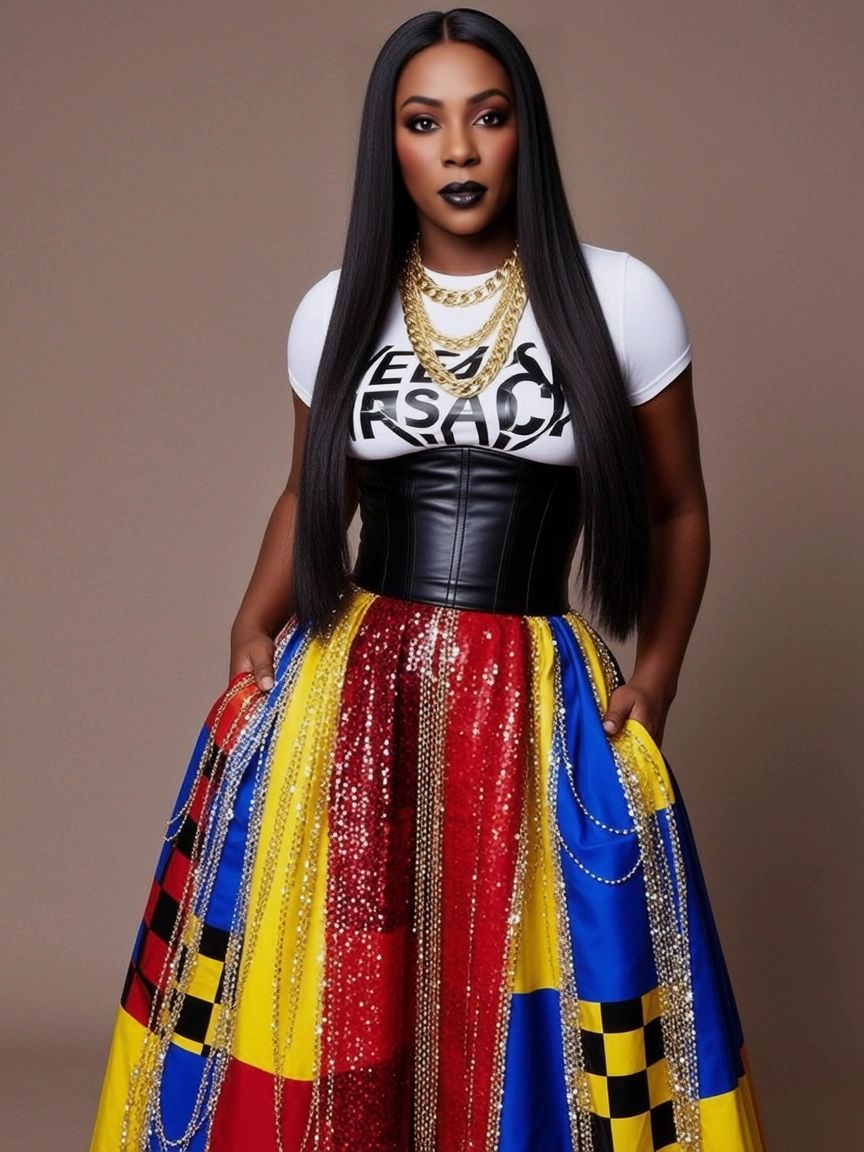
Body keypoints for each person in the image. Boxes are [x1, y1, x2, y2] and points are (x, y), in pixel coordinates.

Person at [89, 9, 767, 1151]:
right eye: (424, 121)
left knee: (547, 975)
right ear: (389, 143)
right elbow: (309, 493)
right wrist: (252, 621)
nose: (458, 148)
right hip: (352, 691)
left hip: (529, 697)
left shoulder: (620, 298)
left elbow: (678, 508)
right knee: (336, 970)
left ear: (523, 133)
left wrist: (657, 679)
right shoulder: (336, 305)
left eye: (487, 117)